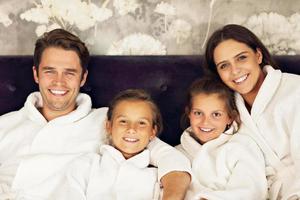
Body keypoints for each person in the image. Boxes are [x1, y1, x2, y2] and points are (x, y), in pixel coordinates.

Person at [0, 29, 191, 199]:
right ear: (36, 74)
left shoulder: (108, 120)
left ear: (83, 77)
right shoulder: (6, 124)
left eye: (70, 73)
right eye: (50, 71)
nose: (59, 82)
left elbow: (171, 159)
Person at [204, 24, 300, 200]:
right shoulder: (229, 112)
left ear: (258, 55)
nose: (235, 71)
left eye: (241, 58)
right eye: (224, 66)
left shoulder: (295, 91)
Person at [58, 89, 164, 200]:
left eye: (142, 123)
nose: (131, 129)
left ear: (153, 132)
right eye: (123, 121)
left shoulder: (158, 178)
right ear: (109, 126)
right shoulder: (86, 165)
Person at [176, 77, 267, 199]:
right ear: (189, 114)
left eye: (216, 114)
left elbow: (250, 190)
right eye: (198, 113)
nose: (205, 122)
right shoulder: (176, 153)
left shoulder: (242, 147)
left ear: (230, 117)